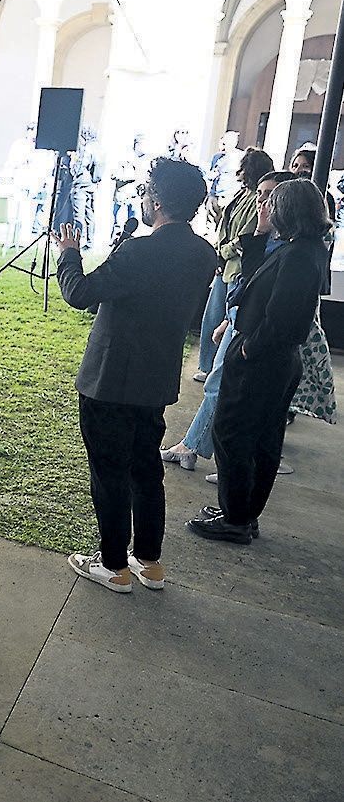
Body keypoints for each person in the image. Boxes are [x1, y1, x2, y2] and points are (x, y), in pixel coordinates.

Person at [54, 157, 216, 592]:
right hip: (156, 377)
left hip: (110, 379)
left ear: (157, 201)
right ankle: (148, 561)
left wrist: (68, 254)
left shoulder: (140, 251)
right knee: (145, 470)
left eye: (145, 191)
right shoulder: (204, 254)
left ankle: (113, 565)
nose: (141, 199)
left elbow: (80, 293)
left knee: (109, 472)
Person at [187, 179, 331, 544]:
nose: (263, 208)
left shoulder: (299, 255)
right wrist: (258, 235)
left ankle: (236, 519)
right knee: (258, 437)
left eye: (271, 204)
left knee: (233, 433)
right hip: (270, 357)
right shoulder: (303, 247)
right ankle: (241, 512)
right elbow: (252, 284)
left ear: (288, 211)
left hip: (263, 358)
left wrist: (248, 349)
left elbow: (282, 317)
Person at [161, 172, 292, 471]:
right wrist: (229, 320)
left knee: (221, 386)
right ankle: (204, 451)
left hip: (250, 332)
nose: (260, 201)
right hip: (240, 321)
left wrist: (246, 341)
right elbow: (249, 285)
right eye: (260, 193)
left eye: (269, 196)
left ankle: (200, 450)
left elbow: (267, 297)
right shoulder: (270, 240)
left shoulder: (286, 248)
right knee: (220, 385)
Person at [194, 148, 273, 381]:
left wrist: (223, 253)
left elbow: (247, 235)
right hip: (224, 266)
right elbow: (225, 227)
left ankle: (218, 370)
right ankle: (206, 366)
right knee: (212, 317)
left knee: (230, 320)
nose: (239, 170)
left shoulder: (256, 200)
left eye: (243, 166)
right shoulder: (241, 194)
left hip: (237, 268)